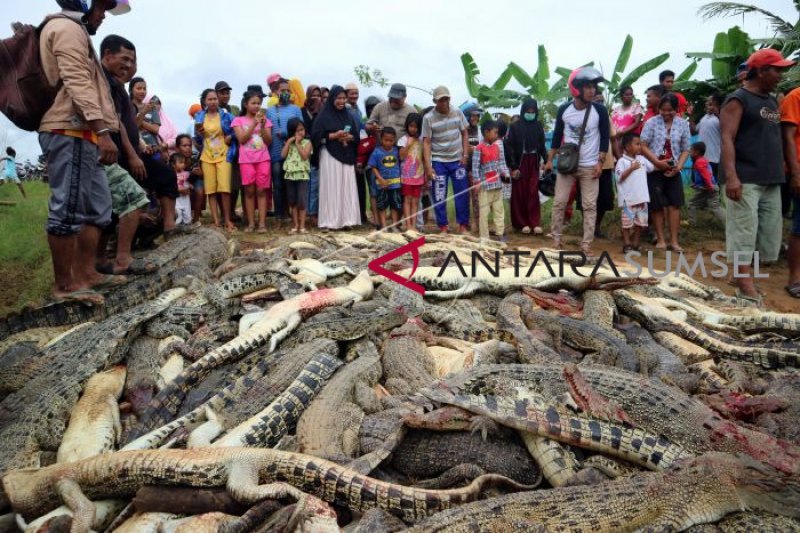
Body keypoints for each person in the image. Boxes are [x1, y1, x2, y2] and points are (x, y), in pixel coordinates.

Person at [39, 0, 127, 305]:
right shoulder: (66, 28)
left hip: (84, 133)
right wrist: (103, 131)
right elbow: (77, 83)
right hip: (70, 130)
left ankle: (85, 273)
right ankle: (65, 286)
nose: (102, 16)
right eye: (101, 9)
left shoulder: (75, 30)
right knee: (69, 208)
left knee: (97, 207)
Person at [97, 34, 156, 277]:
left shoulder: (114, 84)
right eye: (124, 59)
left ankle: (100, 261)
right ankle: (122, 258)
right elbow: (115, 123)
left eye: (133, 61)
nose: (129, 65)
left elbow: (122, 122)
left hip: (111, 151)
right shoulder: (101, 81)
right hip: (102, 150)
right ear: (107, 55)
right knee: (134, 200)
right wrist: (105, 137)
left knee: (105, 210)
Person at [545, 67, 610, 256]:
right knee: (559, 202)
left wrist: (600, 163)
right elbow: (557, 137)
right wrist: (549, 160)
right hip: (567, 165)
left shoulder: (600, 110)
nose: (593, 91)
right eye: (588, 87)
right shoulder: (564, 110)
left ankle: (586, 244)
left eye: (594, 87)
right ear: (576, 89)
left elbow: (604, 138)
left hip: (590, 166)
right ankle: (556, 239)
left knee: (590, 206)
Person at [640, 93, 691, 252]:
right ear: (658, 109)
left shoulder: (683, 124)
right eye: (663, 109)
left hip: (674, 170)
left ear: (676, 109)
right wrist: (656, 162)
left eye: (670, 110)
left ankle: (674, 242)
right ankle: (661, 239)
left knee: (674, 205)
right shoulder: (651, 122)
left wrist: (678, 167)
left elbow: (686, 149)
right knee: (657, 206)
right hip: (654, 169)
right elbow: (643, 145)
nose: (666, 113)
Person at [127, 76, 178, 234]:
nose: (142, 91)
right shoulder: (126, 106)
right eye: (138, 88)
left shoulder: (152, 109)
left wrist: (142, 118)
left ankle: (169, 224)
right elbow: (132, 128)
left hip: (150, 151)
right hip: (129, 153)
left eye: (144, 88)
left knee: (168, 173)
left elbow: (156, 130)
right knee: (140, 188)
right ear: (131, 90)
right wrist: (142, 114)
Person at [311, 85, 360, 230]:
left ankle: (347, 220)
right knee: (331, 187)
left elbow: (357, 136)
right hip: (329, 155)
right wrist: (334, 135)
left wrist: (349, 137)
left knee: (346, 187)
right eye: (338, 98)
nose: (341, 101)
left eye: (344, 98)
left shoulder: (349, 116)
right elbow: (316, 136)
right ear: (332, 98)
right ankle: (330, 221)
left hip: (347, 154)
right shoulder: (323, 117)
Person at [423, 85, 470, 234]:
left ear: (449, 99)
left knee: (462, 192)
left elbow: (464, 133)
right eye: (440, 100)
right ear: (435, 101)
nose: (443, 102)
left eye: (446, 99)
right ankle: (443, 226)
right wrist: (428, 166)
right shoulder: (428, 118)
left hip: (457, 160)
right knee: (439, 194)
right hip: (439, 161)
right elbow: (427, 142)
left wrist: (465, 155)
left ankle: (463, 226)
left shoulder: (457, 112)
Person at [195, 89, 236, 231]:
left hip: (224, 154)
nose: (213, 102)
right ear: (205, 101)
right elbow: (198, 138)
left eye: (215, 99)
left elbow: (235, 130)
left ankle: (227, 220)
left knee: (224, 189)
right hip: (207, 155)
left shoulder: (226, 115)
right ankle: (216, 221)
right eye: (209, 99)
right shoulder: (199, 116)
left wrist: (230, 137)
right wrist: (198, 134)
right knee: (211, 191)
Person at [233, 90, 272, 233]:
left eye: (259, 103)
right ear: (245, 104)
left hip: (263, 158)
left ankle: (262, 224)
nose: (256, 106)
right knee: (249, 191)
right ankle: (250, 223)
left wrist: (262, 126)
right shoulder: (238, 121)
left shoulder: (266, 121)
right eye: (253, 103)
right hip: (246, 160)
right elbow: (242, 139)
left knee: (262, 190)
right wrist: (253, 124)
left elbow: (268, 141)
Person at [506, 98, 547, 235]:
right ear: (523, 111)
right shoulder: (515, 126)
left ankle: (534, 223)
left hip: (533, 161)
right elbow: (510, 147)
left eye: (533, 111)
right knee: (519, 193)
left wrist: (547, 160)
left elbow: (542, 145)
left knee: (532, 192)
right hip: (520, 162)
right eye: (528, 111)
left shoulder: (538, 126)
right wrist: (513, 166)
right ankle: (521, 223)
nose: (530, 113)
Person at [266, 78, 303, 224]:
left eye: (288, 90)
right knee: (278, 184)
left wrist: (288, 135)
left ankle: (290, 214)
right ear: (276, 92)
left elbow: (302, 131)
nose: (286, 93)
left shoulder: (296, 109)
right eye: (283, 90)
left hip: (293, 152)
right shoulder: (269, 111)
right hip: (275, 152)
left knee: (290, 183)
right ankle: (279, 214)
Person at [472, 120, 509, 245]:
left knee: (499, 211)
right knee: (484, 212)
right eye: (495, 133)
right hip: (485, 187)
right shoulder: (478, 148)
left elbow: (502, 163)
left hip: (497, 186)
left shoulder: (498, 147)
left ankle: (500, 234)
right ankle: (484, 238)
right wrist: (477, 182)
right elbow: (475, 167)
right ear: (486, 132)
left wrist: (506, 174)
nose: (497, 135)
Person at [615, 132, 652, 252]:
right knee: (627, 224)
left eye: (640, 144)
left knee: (639, 224)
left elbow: (653, 167)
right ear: (627, 146)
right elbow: (619, 177)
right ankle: (627, 244)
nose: (640, 147)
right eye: (637, 144)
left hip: (642, 199)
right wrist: (631, 168)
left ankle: (635, 244)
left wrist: (665, 164)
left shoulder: (642, 159)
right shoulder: (622, 161)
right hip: (628, 201)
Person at [781, 86, 800, 299]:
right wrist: (795, 172)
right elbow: (788, 137)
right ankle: (795, 278)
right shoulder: (795, 97)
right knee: (799, 225)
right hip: (798, 168)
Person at [282, 117, 312, 234]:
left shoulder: (307, 142)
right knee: (292, 201)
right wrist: (289, 142)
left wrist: (298, 143)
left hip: (302, 175)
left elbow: (305, 156)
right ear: (291, 132)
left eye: (302, 129)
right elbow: (283, 155)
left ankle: (302, 226)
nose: (300, 132)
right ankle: (295, 225)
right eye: (297, 130)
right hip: (290, 175)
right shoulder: (289, 143)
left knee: (302, 200)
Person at [369, 127, 403, 231]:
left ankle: (394, 225)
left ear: (395, 139)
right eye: (386, 140)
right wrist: (380, 179)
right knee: (382, 205)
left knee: (395, 205)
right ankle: (383, 226)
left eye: (391, 140)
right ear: (381, 139)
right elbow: (373, 167)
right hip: (382, 185)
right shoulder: (377, 152)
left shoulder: (397, 151)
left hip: (395, 185)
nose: (388, 143)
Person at [398, 113, 425, 231]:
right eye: (411, 126)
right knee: (407, 200)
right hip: (406, 176)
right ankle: (408, 224)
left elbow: (424, 156)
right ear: (407, 126)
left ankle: (413, 225)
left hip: (418, 175)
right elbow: (401, 157)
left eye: (416, 126)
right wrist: (408, 145)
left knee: (415, 201)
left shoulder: (421, 140)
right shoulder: (403, 140)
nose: (413, 129)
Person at [687, 141, 724, 225]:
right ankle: (725, 221)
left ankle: (691, 222)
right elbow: (706, 175)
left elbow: (706, 175)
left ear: (696, 152)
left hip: (707, 188)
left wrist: (709, 186)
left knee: (692, 204)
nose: (689, 152)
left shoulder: (699, 162)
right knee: (714, 207)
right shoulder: (703, 160)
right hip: (711, 186)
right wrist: (696, 184)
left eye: (691, 150)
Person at [302, 85, 323, 222]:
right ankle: (304, 214)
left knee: (315, 184)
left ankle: (314, 213)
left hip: (317, 153)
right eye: (312, 95)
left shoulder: (322, 112)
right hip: (302, 152)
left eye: (317, 95)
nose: (315, 98)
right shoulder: (301, 111)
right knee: (304, 185)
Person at [694, 94, 723, 179]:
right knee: (700, 184)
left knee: (713, 183)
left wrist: (717, 112)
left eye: (711, 103)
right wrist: (691, 116)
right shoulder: (704, 117)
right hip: (701, 158)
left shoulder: (720, 117)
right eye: (708, 102)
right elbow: (694, 131)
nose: (708, 104)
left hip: (714, 158)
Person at [176, 133, 204, 223]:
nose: (188, 148)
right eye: (184, 145)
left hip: (195, 179)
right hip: (179, 181)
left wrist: (200, 174)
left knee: (199, 192)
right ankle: (181, 216)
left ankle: (196, 220)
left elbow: (201, 174)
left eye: (189, 145)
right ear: (177, 148)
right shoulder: (174, 159)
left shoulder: (196, 155)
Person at [357, 124, 379, 228]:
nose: (374, 126)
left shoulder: (382, 134)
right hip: (370, 167)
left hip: (384, 166)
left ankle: (381, 217)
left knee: (381, 192)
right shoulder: (364, 134)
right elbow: (361, 152)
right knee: (373, 192)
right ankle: (376, 218)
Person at [611, 86, 643, 154]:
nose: (629, 96)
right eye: (626, 94)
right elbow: (611, 124)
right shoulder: (615, 109)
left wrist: (621, 133)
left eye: (631, 94)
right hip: (615, 139)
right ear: (621, 96)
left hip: (628, 140)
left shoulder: (636, 107)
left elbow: (636, 123)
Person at [170, 153, 192, 225]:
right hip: (176, 198)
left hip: (185, 197)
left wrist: (190, 185)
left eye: (184, 163)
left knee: (187, 213)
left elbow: (187, 182)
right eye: (180, 162)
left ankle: (187, 225)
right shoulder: (171, 174)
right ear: (173, 164)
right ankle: (177, 227)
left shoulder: (186, 173)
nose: (183, 164)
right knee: (178, 212)